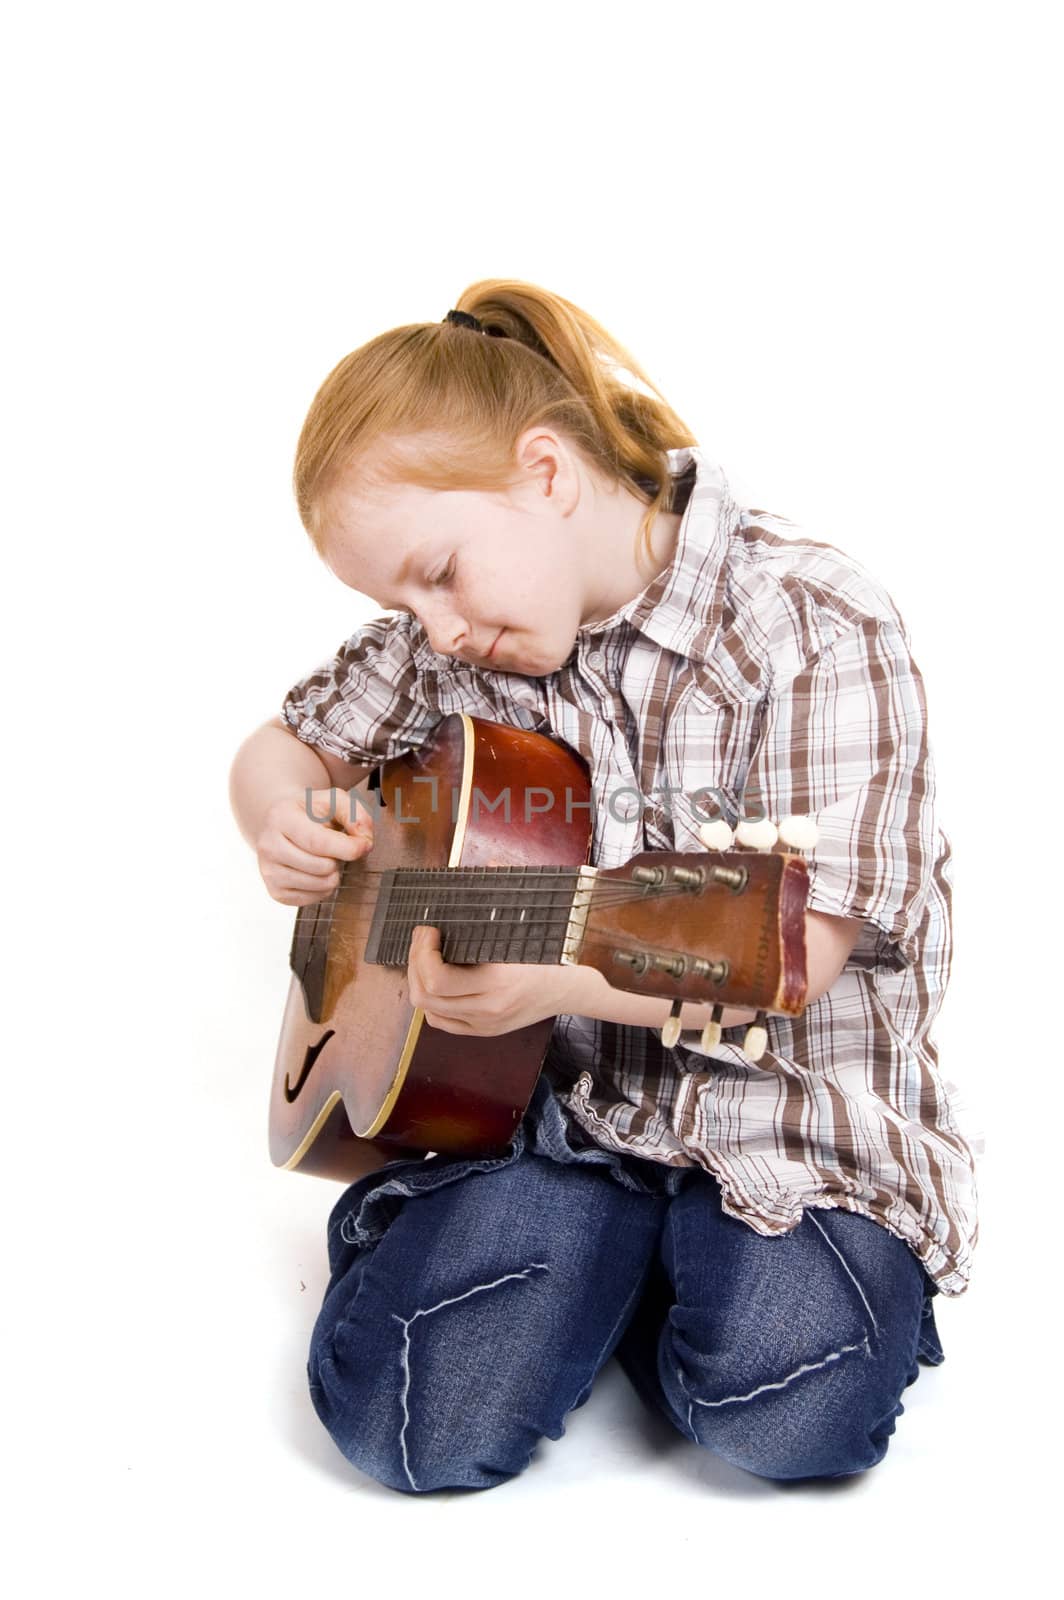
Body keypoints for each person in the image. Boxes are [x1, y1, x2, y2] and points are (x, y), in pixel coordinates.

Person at [228, 279, 978, 1495]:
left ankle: (636, 1275)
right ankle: (583, 1244)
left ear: (543, 471)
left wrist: (556, 970)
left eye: (438, 572)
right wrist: (284, 815)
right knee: (407, 1422)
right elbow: (285, 744)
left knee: (787, 1406)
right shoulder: (446, 647)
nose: (434, 628)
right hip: (547, 1121)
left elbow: (796, 949)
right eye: (397, 606)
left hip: (782, 1124)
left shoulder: (808, 623)